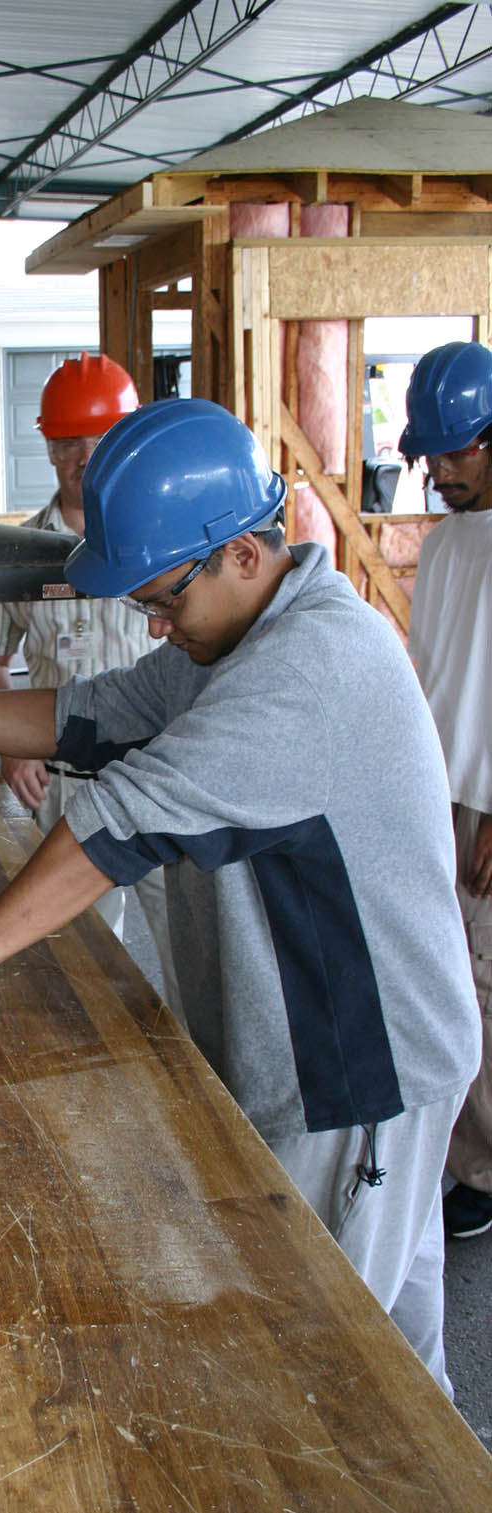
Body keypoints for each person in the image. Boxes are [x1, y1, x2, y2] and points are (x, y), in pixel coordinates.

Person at [0, 398, 482, 1395]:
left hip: (356, 1076)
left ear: (244, 554)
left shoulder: (304, 672)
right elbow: (87, 716)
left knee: (327, 1365)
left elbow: (115, 818)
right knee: (398, 1354)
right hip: (377, 1052)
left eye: (163, 602)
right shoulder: (239, 639)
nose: (154, 627)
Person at [0, 353, 178, 1014]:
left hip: (164, 777)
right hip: (67, 785)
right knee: (73, 952)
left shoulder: (167, 541)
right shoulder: (15, 554)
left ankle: (206, 1080)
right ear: (48, 447)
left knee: (191, 948)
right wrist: (12, 745)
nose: (83, 457)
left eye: (100, 440)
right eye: (66, 444)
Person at [402, 340, 492, 1242]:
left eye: (454, 451)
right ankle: (457, 1151)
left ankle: (480, 1170)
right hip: (443, 788)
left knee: (489, 985)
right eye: (429, 453)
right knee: (449, 976)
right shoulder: (444, 545)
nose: (438, 470)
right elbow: (431, 675)